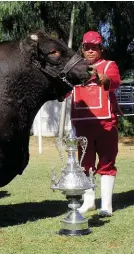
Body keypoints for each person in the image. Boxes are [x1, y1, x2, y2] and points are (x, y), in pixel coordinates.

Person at [69, 31, 122, 217]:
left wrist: (103, 78)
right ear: (82, 48)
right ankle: (89, 201)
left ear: (101, 48)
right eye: (87, 47)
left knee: (107, 162)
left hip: (105, 122)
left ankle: (106, 204)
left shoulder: (109, 65)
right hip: (81, 123)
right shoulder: (73, 69)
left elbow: (114, 81)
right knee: (85, 164)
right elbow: (65, 92)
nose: (90, 51)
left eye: (94, 47)